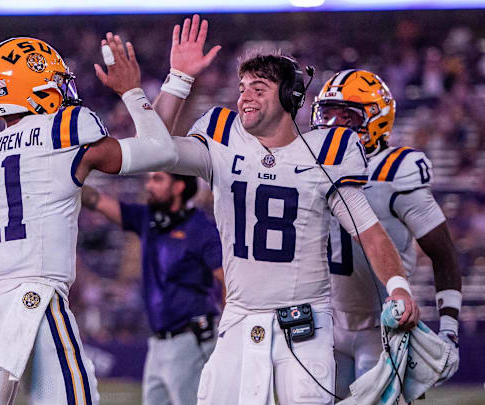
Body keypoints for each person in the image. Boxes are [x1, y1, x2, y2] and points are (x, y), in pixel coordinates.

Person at [149, 15, 422, 404]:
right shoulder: (224, 137)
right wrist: (178, 78)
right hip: (239, 318)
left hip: (304, 323)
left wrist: (398, 286)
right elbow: (154, 150)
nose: (245, 96)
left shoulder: (326, 153)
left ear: (290, 97)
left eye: (259, 89)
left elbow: (368, 230)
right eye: (243, 88)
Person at [0, 35, 178, 405]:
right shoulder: (63, 130)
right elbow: (162, 150)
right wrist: (133, 91)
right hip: (33, 305)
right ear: (33, 87)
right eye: (54, 80)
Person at [310, 69, 462, 399]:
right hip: (326, 327)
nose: (332, 126)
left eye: (346, 116)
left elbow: (443, 252)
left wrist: (449, 327)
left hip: (382, 329)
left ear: (376, 120)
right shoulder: (309, 167)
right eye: (327, 114)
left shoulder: (396, 170)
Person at [81, 172, 223, 405]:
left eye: (157, 179)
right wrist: (69, 180)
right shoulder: (149, 219)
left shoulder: (200, 229)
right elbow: (96, 200)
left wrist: (228, 334)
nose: (148, 185)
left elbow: (227, 280)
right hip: (157, 343)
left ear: (178, 186)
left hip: (191, 340)